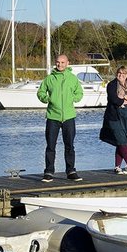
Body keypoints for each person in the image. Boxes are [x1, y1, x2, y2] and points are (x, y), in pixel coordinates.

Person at [37, 54, 83, 182]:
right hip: (53, 117)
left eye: (63, 62)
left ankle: (71, 171)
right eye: (58, 62)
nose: (60, 64)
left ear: (67, 63)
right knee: (50, 146)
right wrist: (47, 99)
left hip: (69, 117)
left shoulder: (73, 79)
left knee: (70, 145)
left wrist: (74, 99)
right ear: (55, 63)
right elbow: (40, 92)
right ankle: (49, 172)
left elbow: (79, 93)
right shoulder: (49, 79)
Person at [100, 66, 127, 174]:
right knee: (121, 140)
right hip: (114, 117)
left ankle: (117, 167)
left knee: (122, 141)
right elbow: (114, 99)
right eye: (119, 73)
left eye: (124, 73)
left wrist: (125, 96)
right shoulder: (111, 85)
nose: (121, 75)